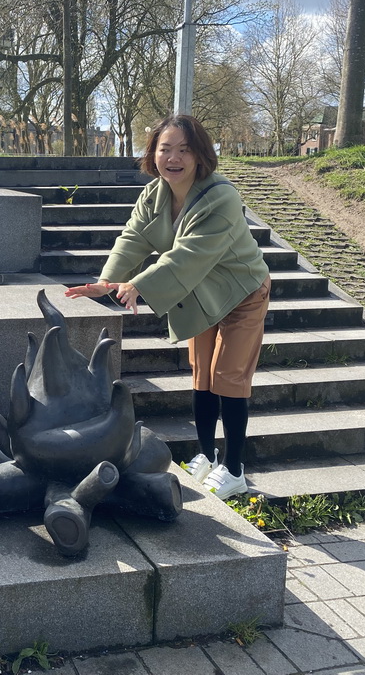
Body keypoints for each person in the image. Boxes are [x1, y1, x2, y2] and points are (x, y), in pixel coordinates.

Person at [65, 114, 270, 500]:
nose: (173, 158)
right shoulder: (154, 193)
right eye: (165, 149)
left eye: (184, 149)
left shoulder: (222, 197)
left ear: (200, 155)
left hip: (242, 291)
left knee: (229, 377)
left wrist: (138, 285)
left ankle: (236, 468)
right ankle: (207, 456)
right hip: (200, 292)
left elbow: (188, 255)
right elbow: (134, 237)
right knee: (202, 376)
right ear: (153, 153)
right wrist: (107, 281)